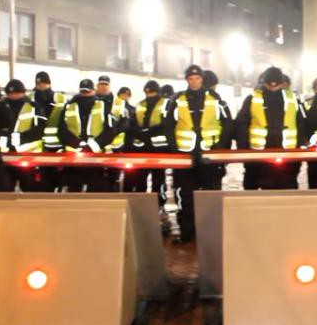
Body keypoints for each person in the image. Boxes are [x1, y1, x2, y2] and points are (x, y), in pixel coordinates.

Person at [167, 65, 233, 243]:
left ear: (202, 79)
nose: (194, 82)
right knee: (184, 196)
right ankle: (187, 231)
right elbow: (168, 126)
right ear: (187, 80)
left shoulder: (215, 99)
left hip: (208, 156)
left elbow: (228, 124)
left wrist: (219, 147)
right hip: (185, 157)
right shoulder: (178, 100)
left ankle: (209, 232)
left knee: (210, 195)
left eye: (197, 78)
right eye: (191, 79)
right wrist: (175, 149)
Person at [236, 67, 305, 190]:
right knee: (256, 190)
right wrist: (244, 150)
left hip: (287, 155)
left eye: (276, 84)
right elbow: (241, 124)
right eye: (270, 84)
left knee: (286, 190)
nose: (273, 87)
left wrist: (299, 149)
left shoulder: (293, 99)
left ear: (282, 83)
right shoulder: (252, 99)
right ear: (264, 82)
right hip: (258, 155)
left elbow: (302, 124)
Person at [58, 79, 117, 192]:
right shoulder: (69, 106)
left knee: (95, 191)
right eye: (83, 91)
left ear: (93, 90)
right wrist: (77, 144)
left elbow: (110, 130)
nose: (85, 94)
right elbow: (62, 130)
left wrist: (92, 146)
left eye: (87, 91)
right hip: (74, 158)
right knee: (74, 190)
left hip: (96, 158)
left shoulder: (103, 105)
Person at [125, 80, 171, 210]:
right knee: (140, 179)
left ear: (158, 92)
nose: (150, 95)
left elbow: (167, 124)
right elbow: (132, 124)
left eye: (152, 92)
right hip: (141, 149)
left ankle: (159, 205)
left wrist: (148, 132)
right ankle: (141, 206)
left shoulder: (166, 104)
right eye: (148, 93)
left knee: (158, 180)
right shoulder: (140, 105)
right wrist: (139, 134)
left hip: (159, 149)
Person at [0, 79, 47, 191]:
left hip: (28, 156)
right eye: (10, 93)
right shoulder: (0, 106)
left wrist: (21, 138)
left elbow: (40, 129)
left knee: (30, 190)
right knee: (5, 190)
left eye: (17, 92)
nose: (13, 95)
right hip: (5, 156)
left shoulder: (34, 107)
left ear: (23, 92)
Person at [31, 71, 67, 192]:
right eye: (39, 83)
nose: (41, 86)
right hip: (34, 146)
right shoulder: (30, 98)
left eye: (44, 83)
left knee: (54, 179)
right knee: (38, 182)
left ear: (49, 83)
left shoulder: (60, 98)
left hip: (55, 146)